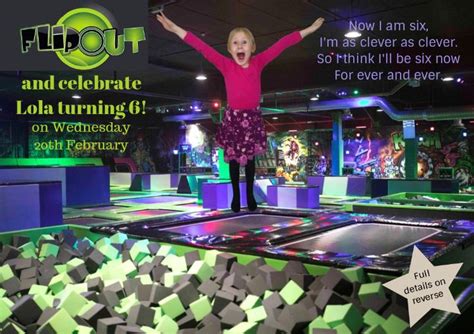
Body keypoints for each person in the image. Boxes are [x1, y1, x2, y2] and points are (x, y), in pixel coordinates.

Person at [157, 12, 324, 212]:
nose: (240, 46)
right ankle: (236, 194)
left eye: (244, 42)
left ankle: (249, 194)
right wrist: (175, 28)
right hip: (234, 118)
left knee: (251, 159)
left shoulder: (258, 62)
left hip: (251, 118)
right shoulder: (225, 65)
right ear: (229, 49)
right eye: (235, 43)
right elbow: (200, 46)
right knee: (234, 160)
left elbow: (282, 44)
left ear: (252, 47)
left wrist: (309, 30)